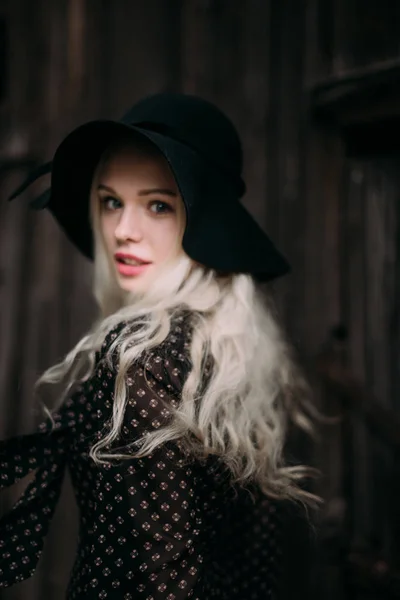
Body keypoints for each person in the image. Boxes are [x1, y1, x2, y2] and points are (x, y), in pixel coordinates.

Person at [1, 93, 319, 599]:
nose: (123, 232)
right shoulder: (234, 349)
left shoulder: (140, 359)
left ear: (203, 221)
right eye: (110, 202)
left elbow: (153, 579)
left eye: (157, 205)